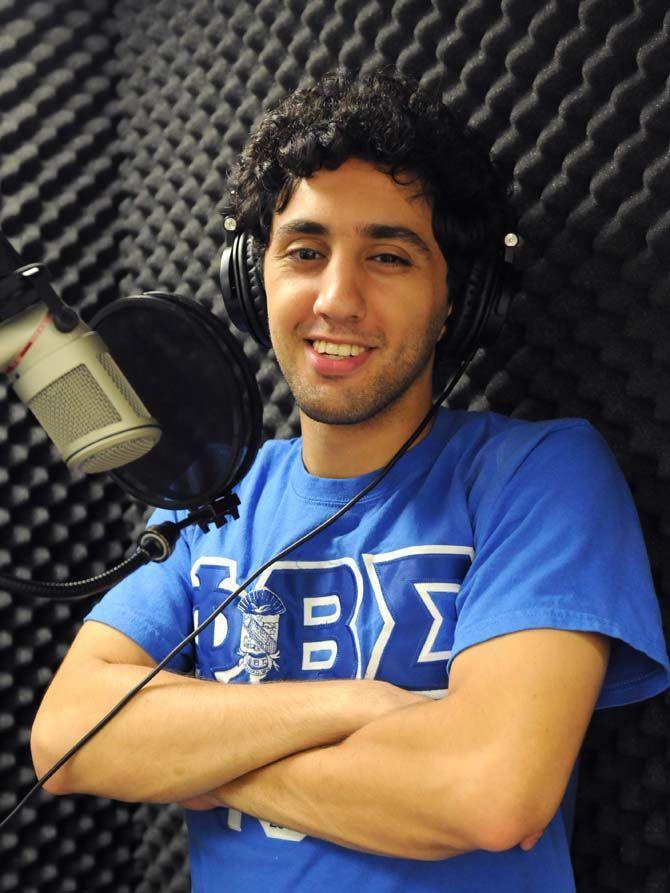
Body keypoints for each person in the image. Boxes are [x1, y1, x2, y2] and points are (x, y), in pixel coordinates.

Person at [31, 70, 670, 892]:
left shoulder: (540, 476)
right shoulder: (203, 499)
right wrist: (360, 705)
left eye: (389, 256)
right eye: (304, 250)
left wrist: (189, 758)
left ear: (456, 300)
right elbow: (67, 737)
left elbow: (488, 791)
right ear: (250, 276)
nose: (338, 298)